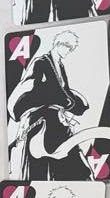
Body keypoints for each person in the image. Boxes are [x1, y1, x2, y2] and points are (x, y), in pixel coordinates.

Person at [7, 29, 93, 181]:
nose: (68, 51)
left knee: (71, 155)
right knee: (40, 162)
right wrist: (64, 102)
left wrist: (76, 105)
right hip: (40, 119)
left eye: (71, 49)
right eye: (67, 47)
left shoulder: (60, 65)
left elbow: (65, 90)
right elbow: (36, 89)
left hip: (56, 118)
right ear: (59, 44)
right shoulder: (41, 62)